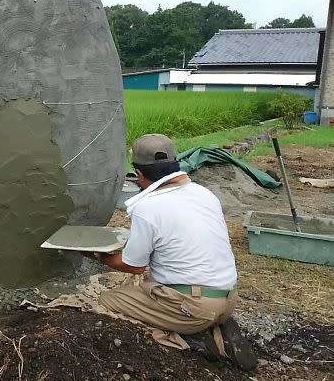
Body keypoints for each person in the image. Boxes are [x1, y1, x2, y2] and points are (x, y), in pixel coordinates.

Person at [87, 134, 257, 371]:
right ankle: (216, 324)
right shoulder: (204, 194)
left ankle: (192, 339)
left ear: (139, 174)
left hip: (195, 306)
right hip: (229, 298)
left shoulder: (147, 207)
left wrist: (96, 255)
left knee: (108, 301)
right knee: (155, 287)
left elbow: (135, 266)